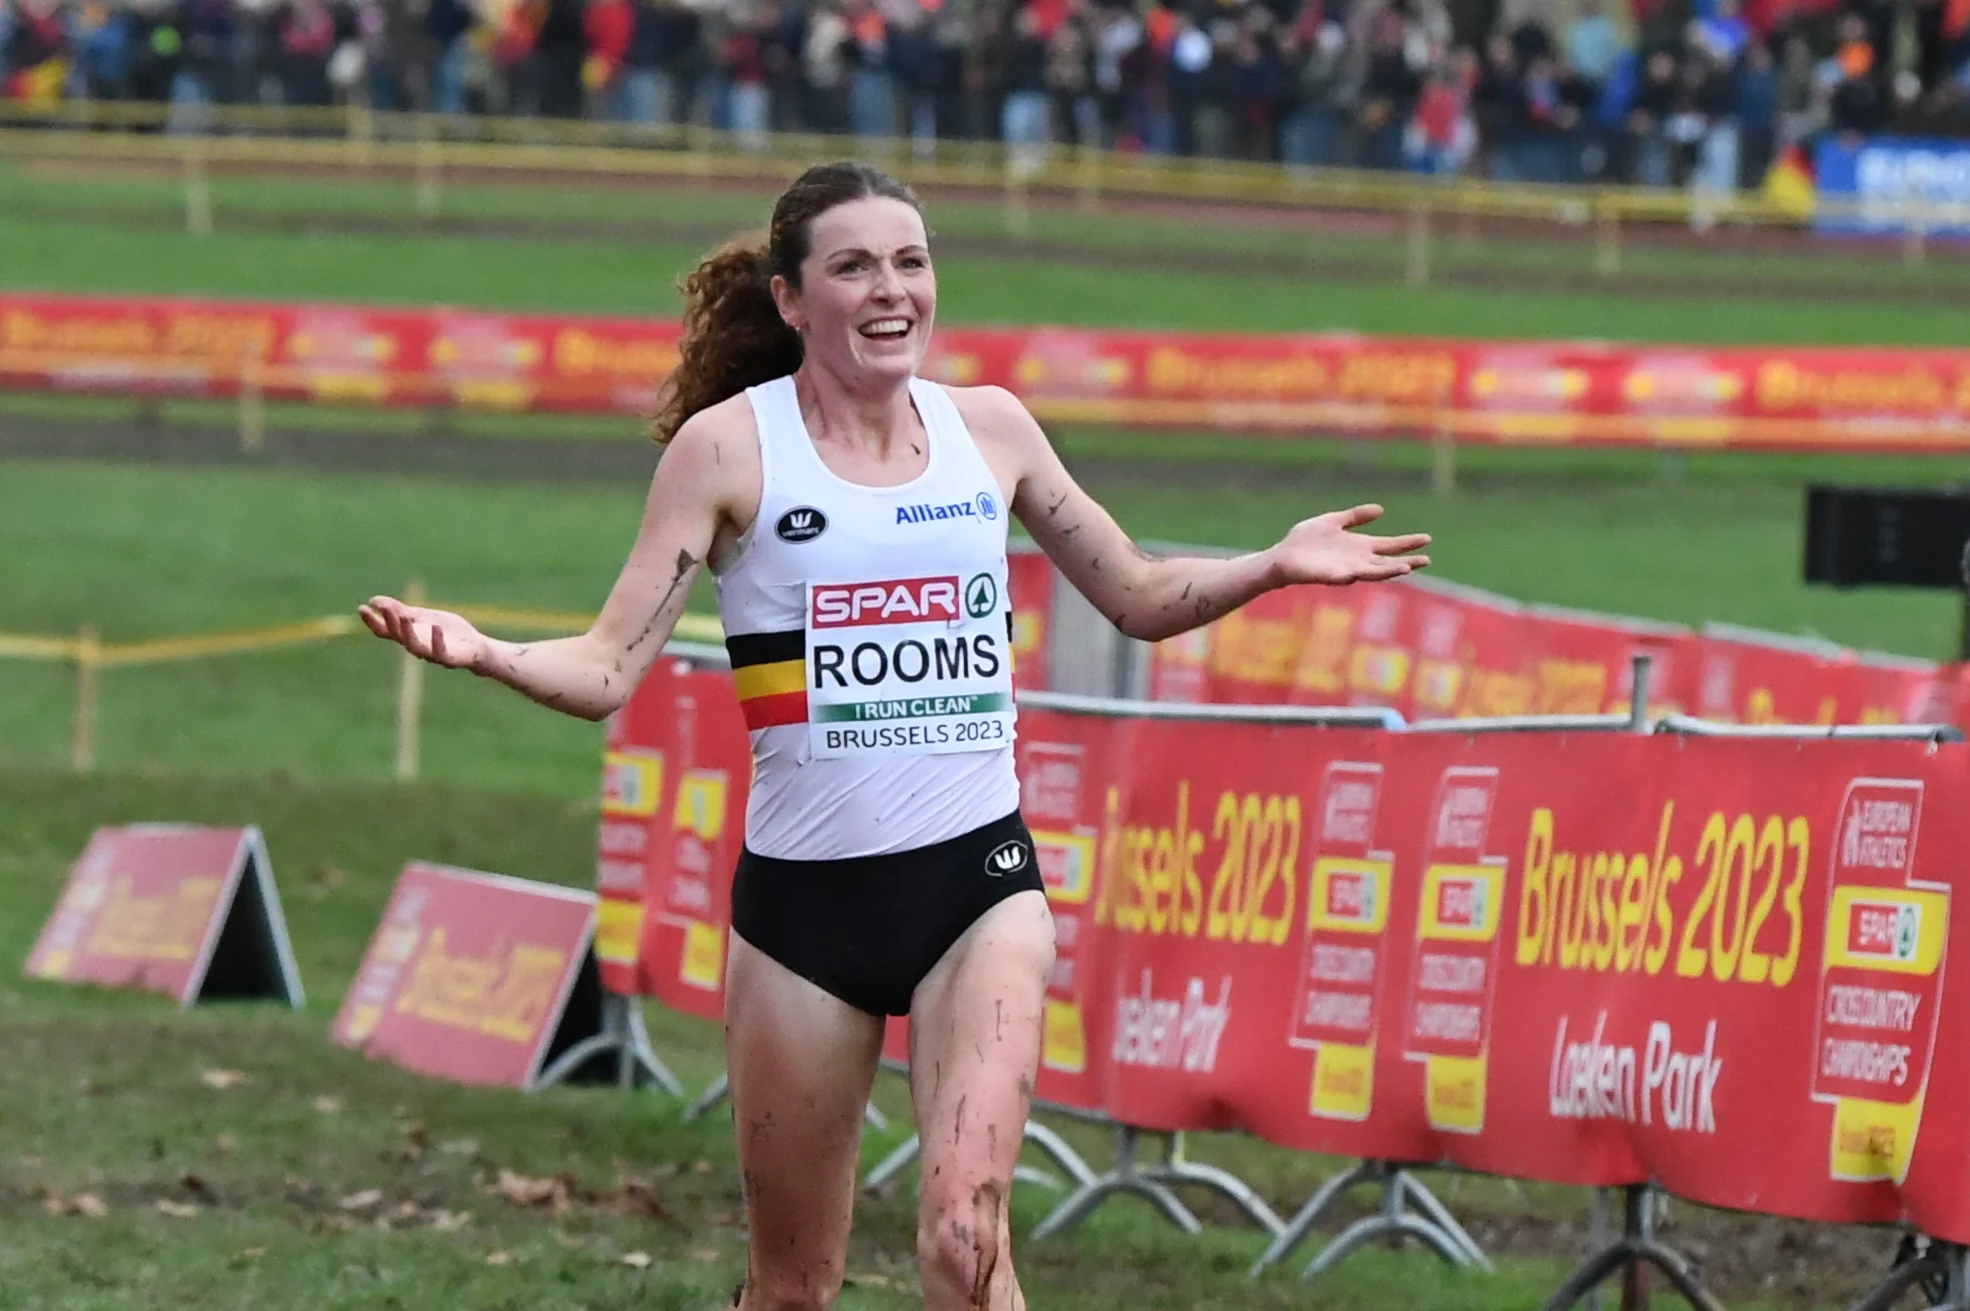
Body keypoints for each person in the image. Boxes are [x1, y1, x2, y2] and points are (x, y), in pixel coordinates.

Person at [358, 159, 1429, 1311]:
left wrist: (1268, 565)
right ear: (788, 299)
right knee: (790, 1288)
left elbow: (1134, 596)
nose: (891, 291)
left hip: (976, 892)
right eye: (854, 266)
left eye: (910, 263)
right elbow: (608, 668)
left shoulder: (992, 431)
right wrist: (486, 653)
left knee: (965, 1237)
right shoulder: (727, 452)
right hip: (803, 917)